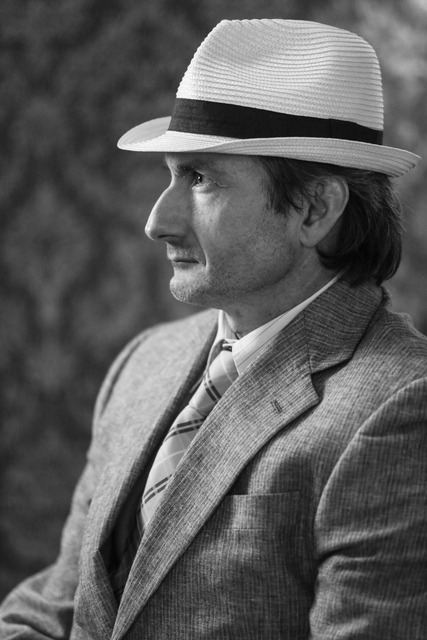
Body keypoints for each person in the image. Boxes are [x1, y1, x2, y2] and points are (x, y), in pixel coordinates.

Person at [0, 17, 426, 640]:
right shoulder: (146, 361)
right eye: (169, 175)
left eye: (200, 179)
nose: (157, 221)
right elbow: (54, 608)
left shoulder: (402, 406)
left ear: (315, 209)